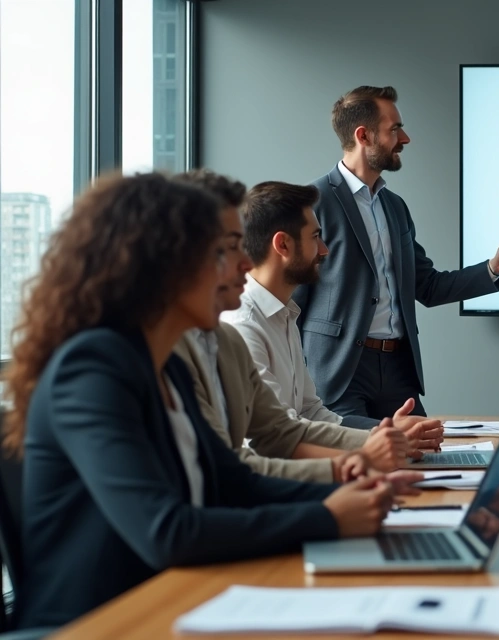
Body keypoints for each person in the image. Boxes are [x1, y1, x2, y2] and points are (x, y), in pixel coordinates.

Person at [1, 174, 423, 629]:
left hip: (173, 598)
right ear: (164, 262)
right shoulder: (90, 370)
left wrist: (348, 490)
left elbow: (232, 483)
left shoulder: (167, 367)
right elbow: (166, 532)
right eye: (225, 251)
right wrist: (326, 517)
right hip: (101, 621)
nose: (244, 265)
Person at [170, 170, 442, 483]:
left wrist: (382, 438)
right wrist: (361, 462)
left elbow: (292, 424)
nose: (246, 263)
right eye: (233, 247)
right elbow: (246, 459)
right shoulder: (237, 328)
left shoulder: (267, 322)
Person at [297, 85, 499, 418]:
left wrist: (492, 269)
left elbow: (428, 286)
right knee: (362, 464)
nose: (405, 138)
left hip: (398, 371)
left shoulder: (395, 207)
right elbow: (291, 302)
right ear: (363, 135)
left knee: (426, 456)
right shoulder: (313, 203)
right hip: (339, 373)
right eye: (394, 129)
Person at [223, 181, 426, 436]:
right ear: (283, 245)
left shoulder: (286, 315)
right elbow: (276, 434)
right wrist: (373, 445)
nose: (324, 250)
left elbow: (312, 413)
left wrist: (386, 431)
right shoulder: (244, 325)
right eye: (315, 237)